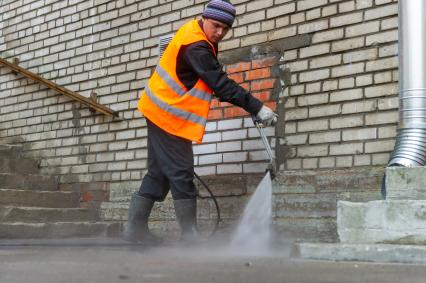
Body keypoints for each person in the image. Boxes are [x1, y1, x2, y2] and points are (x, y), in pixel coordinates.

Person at [123, 0, 278, 244]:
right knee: (182, 171)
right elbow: (219, 83)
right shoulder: (197, 45)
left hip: (160, 109)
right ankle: (189, 236)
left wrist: (240, 100)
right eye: (216, 26)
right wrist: (256, 106)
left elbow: (207, 80)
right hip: (167, 114)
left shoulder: (198, 35)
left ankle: (135, 231)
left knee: (159, 173)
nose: (220, 32)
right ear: (204, 18)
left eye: (225, 29)